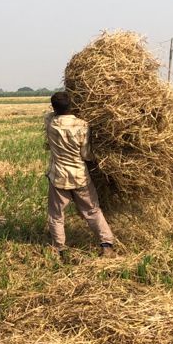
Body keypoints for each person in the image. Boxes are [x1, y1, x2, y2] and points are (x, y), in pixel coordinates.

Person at [45, 90, 116, 258]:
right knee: (92, 211)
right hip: (80, 176)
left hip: (58, 177)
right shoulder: (83, 125)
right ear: (71, 106)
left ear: (54, 108)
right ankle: (106, 245)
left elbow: (50, 114)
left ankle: (59, 248)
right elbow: (86, 155)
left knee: (56, 214)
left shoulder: (50, 123)